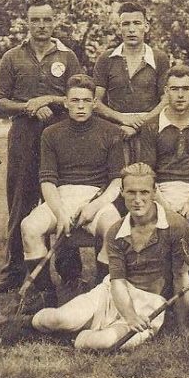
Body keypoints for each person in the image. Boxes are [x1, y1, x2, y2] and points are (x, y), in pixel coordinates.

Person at [0, 163, 189, 350]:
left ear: (154, 192)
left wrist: (183, 326)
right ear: (122, 193)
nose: (137, 199)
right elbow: (117, 282)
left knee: (102, 341)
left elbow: (180, 277)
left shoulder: (176, 226)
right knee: (55, 319)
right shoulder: (116, 230)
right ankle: (27, 325)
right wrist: (129, 316)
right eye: (131, 192)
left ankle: (71, 337)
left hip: (149, 304)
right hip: (110, 293)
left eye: (144, 192)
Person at [0, 0, 85, 294]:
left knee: (61, 199)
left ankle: (69, 270)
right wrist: (29, 107)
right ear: (26, 22)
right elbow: (1, 101)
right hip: (24, 136)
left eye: (47, 19)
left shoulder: (67, 57)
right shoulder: (12, 57)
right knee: (21, 200)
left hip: (60, 136)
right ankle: (16, 270)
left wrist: (50, 99)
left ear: (54, 20)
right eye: (35, 20)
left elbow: (80, 93)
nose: (41, 25)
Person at [18, 74, 123, 312]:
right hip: (61, 196)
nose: (80, 106)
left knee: (114, 229)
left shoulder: (111, 131)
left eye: (86, 101)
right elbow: (47, 182)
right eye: (75, 100)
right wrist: (61, 213)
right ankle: (45, 295)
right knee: (29, 227)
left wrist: (93, 207)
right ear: (65, 102)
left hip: (97, 197)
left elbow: (117, 182)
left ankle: (102, 292)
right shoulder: (51, 133)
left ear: (95, 103)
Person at [135, 64, 189, 260]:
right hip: (160, 193)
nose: (180, 94)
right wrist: (164, 204)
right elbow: (147, 174)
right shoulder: (152, 125)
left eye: (185, 89)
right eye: (175, 89)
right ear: (166, 92)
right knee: (158, 227)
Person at [93, 1, 170, 142]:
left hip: (150, 130)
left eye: (137, 23)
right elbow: (96, 102)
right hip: (115, 130)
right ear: (119, 28)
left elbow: (166, 100)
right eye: (126, 24)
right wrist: (123, 119)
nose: (131, 29)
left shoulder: (159, 58)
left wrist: (139, 123)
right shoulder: (106, 58)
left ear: (146, 27)